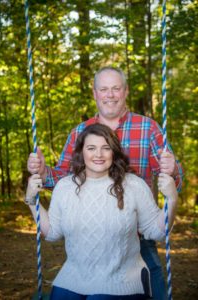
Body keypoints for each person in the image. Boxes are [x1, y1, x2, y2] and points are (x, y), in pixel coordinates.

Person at [27, 66, 183, 300]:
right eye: (104, 89)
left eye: (116, 88)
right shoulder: (80, 131)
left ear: (126, 92)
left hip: (138, 234)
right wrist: (42, 171)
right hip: (89, 239)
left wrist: (172, 172)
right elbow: (62, 180)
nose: (110, 95)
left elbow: (172, 180)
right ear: (95, 93)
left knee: (155, 292)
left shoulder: (148, 128)